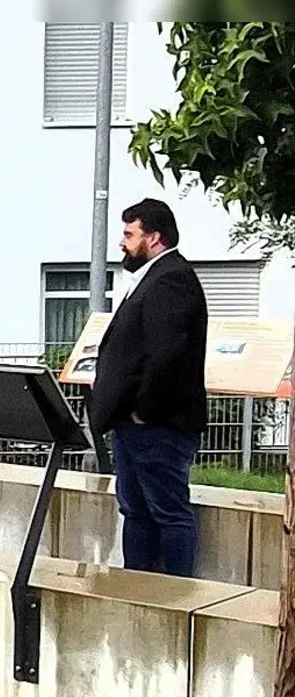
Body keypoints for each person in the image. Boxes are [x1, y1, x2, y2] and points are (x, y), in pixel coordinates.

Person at [88, 198, 209, 578]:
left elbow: (166, 355)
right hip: (135, 424)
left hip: (158, 426)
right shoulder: (152, 276)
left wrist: (144, 411)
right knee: (136, 511)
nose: (121, 242)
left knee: (168, 512)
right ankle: (137, 587)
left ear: (153, 237)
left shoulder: (171, 278)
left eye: (129, 234)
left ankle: (174, 594)